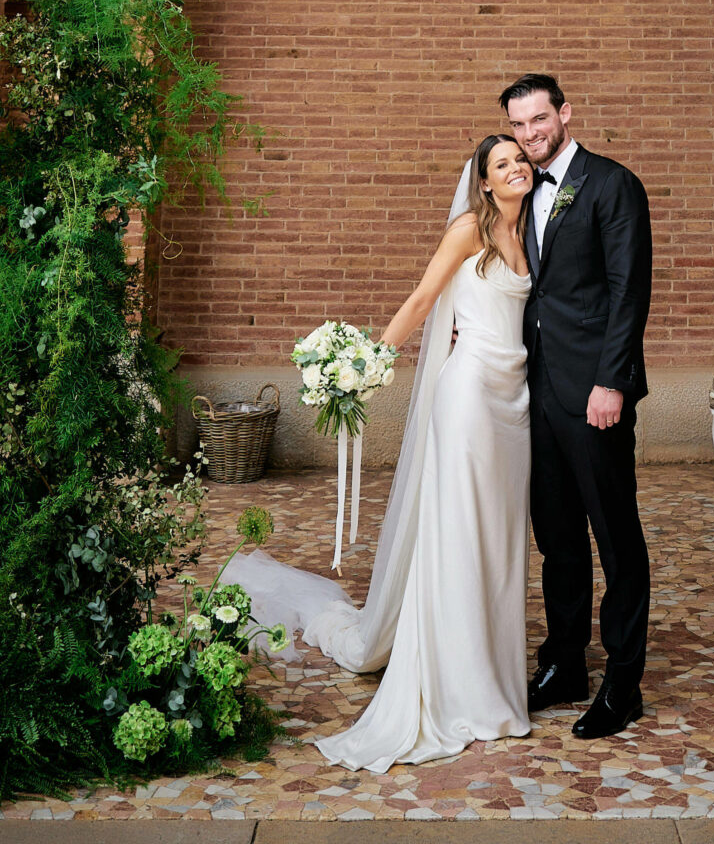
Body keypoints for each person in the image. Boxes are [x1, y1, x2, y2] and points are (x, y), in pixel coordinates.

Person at [230, 132, 537, 772]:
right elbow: (424, 301)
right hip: (469, 396)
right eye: (502, 164)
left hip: (515, 403)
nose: (516, 169)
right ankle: (460, 685)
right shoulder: (467, 230)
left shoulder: (533, 229)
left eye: (520, 159)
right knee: (458, 537)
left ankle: (495, 676)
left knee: (501, 539)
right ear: (483, 182)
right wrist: (371, 361)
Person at [502, 71, 654, 740]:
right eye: (518, 125)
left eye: (539, 119)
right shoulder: (520, 188)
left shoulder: (611, 184)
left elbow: (627, 292)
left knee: (614, 537)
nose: (530, 134)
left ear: (564, 113)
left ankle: (623, 683)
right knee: (556, 538)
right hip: (538, 394)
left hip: (593, 394)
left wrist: (611, 383)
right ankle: (565, 665)